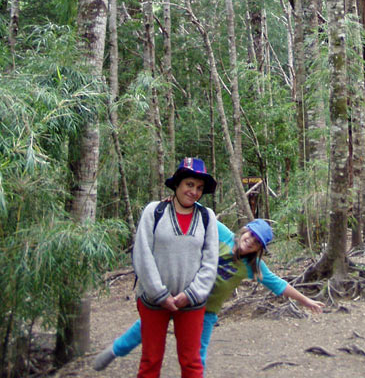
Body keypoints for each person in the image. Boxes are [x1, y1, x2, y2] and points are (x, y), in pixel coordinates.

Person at [94, 217, 325, 373]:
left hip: (205, 311)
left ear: (259, 249)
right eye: (251, 235)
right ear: (244, 230)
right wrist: (171, 203)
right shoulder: (222, 234)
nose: (251, 241)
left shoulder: (253, 267)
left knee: (197, 355)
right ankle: (115, 351)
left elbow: (279, 285)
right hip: (180, 294)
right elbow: (198, 214)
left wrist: (306, 301)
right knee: (143, 329)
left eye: (257, 243)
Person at [131, 157, 219, 378]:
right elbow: (142, 254)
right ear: (177, 184)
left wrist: (191, 294)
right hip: (153, 300)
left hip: (191, 302)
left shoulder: (207, 217)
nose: (194, 192)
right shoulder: (154, 211)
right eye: (189, 184)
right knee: (150, 361)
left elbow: (210, 262)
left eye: (199, 187)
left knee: (191, 363)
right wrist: (159, 294)